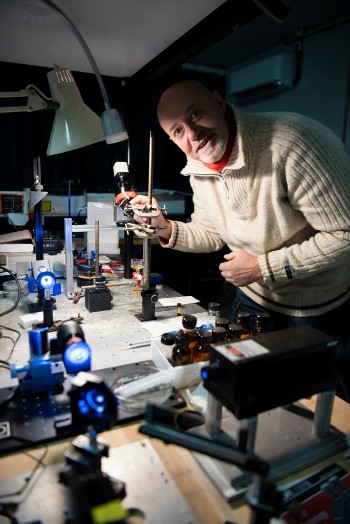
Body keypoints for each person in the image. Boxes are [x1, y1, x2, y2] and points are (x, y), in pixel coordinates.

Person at [131, 80, 350, 367]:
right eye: (178, 131)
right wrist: (162, 226)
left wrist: (261, 266)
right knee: (240, 387)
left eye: (195, 114)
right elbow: (211, 234)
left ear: (218, 101)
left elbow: (344, 233)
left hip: (313, 307)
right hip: (251, 298)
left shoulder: (293, 143)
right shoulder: (198, 169)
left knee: (301, 399)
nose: (193, 134)